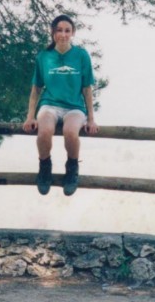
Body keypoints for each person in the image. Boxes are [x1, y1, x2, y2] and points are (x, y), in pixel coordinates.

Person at [22, 15, 98, 196]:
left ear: (73, 33)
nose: (63, 34)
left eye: (67, 30)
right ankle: (44, 166)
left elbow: (87, 89)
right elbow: (36, 89)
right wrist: (30, 116)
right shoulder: (44, 56)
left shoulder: (81, 55)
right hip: (49, 105)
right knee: (45, 131)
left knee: (70, 132)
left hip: (74, 107)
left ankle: (72, 168)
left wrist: (91, 119)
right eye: (59, 30)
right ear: (53, 32)